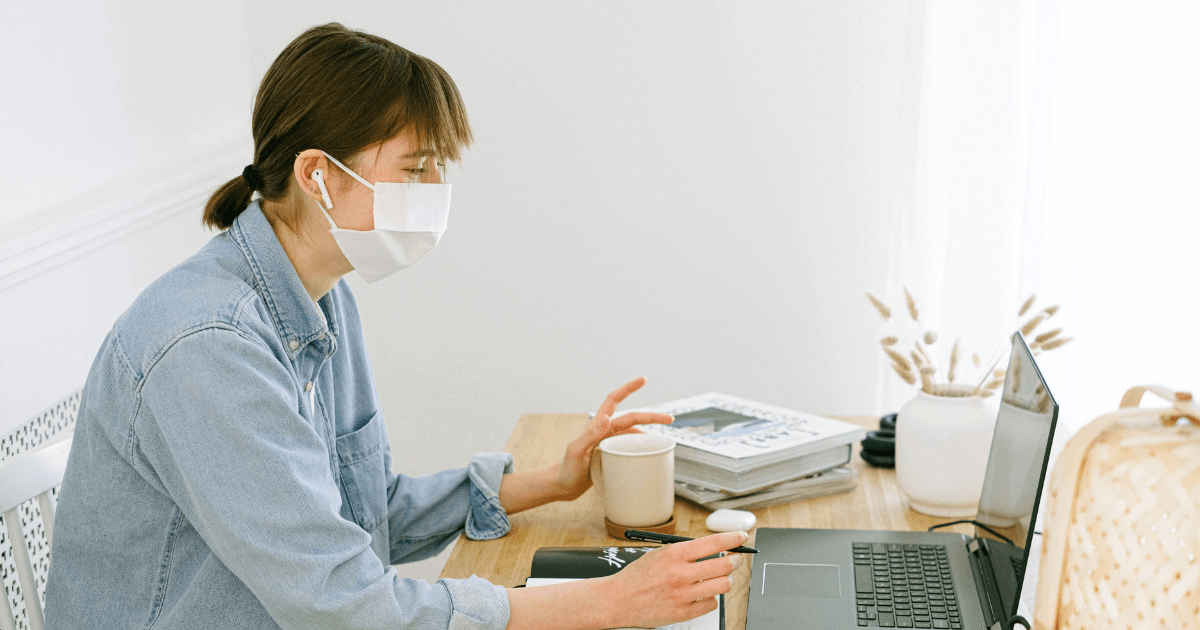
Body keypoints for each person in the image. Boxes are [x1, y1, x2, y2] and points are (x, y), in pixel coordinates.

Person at [44, 23, 745, 630]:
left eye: (440, 168)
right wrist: (603, 603)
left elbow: (362, 513)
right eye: (416, 168)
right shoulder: (209, 348)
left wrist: (545, 483)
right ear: (318, 174)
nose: (435, 191)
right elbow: (341, 603)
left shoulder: (321, 295)